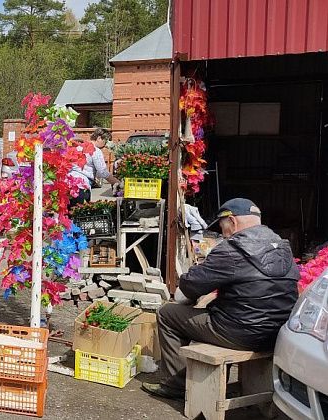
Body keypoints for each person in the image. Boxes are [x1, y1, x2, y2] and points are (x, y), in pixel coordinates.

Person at [141, 198, 299, 400]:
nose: (222, 233)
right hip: (277, 334)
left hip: (242, 333)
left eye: (222, 227)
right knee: (218, 311)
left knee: (168, 314)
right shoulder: (283, 246)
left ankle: (177, 386)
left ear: (232, 221)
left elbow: (190, 286)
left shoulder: (232, 249)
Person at [69, 128, 119, 208]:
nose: (105, 145)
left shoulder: (79, 147)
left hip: (68, 182)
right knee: (79, 214)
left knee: (66, 215)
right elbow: (103, 172)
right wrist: (117, 183)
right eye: (105, 141)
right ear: (99, 138)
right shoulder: (95, 150)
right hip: (81, 186)